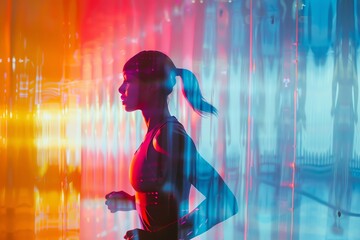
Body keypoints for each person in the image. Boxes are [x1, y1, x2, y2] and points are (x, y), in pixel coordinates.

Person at [105, 51, 238, 240]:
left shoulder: (169, 137)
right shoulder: (156, 135)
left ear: (151, 86)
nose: (121, 88)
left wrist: (155, 238)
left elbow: (224, 201)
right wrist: (132, 202)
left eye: (128, 80)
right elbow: (167, 200)